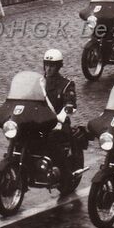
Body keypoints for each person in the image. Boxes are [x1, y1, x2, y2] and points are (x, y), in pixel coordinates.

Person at [41, 49, 82, 182]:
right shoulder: (39, 82)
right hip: (40, 122)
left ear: (58, 66)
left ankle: (66, 174)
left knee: (52, 140)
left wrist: (65, 111)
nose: (48, 68)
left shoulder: (66, 84)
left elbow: (70, 101)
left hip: (58, 123)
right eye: (46, 65)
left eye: (52, 65)